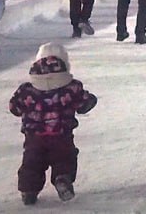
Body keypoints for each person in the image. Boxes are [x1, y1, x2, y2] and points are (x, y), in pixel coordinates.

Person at [9, 42, 98, 205]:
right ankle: (62, 178)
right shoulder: (71, 87)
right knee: (64, 159)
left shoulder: (27, 89)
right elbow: (84, 104)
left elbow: (14, 107)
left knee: (32, 162)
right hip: (61, 135)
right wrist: (91, 100)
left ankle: (29, 190)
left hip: (34, 137)